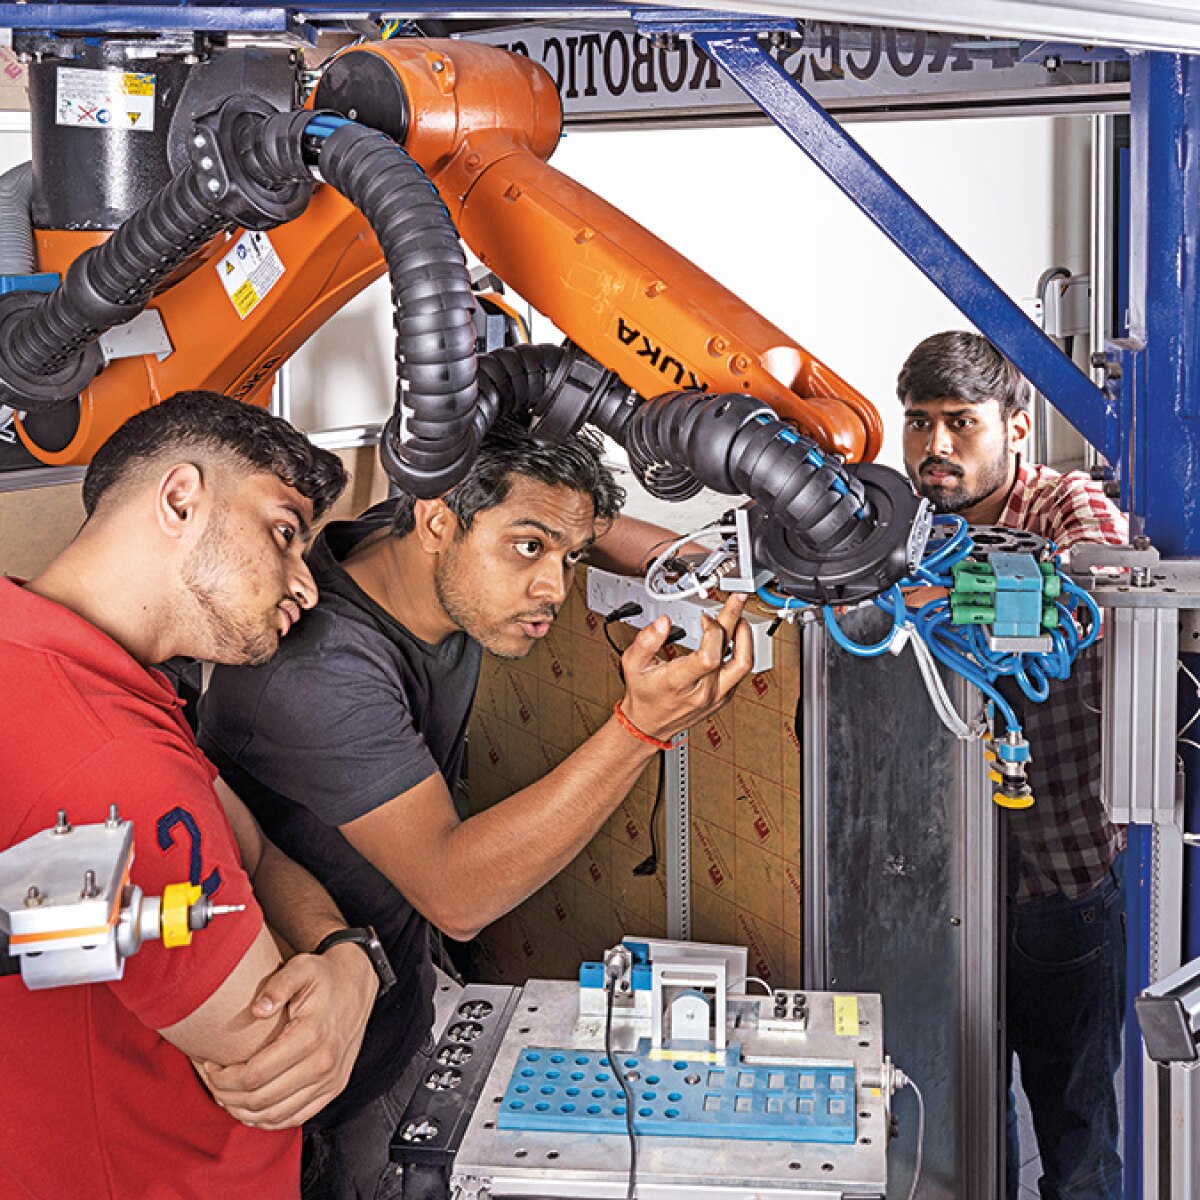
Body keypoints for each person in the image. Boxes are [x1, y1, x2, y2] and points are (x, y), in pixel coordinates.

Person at [198, 416, 752, 1199]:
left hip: (400, 993)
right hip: (323, 1069)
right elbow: (457, 896)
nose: (554, 590)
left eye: (569, 558)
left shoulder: (411, 543)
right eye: (528, 550)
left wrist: (726, 570)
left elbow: (576, 521)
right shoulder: (318, 673)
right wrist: (639, 729)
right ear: (437, 522)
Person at [1, 391, 385, 1199]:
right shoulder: (112, 762)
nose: (305, 588)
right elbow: (273, 1051)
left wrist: (347, 957)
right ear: (180, 499)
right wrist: (353, 985)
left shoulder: (58, 660)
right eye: (284, 532)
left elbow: (253, 849)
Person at [897, 331, 1128, 1200]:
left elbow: (1089, 590)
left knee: (1077, 1140)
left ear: (1016, 428)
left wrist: (940, 594)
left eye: (961, 423)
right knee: (957, 1131)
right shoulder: (903, 525)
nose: (936, 448)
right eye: (920, 424)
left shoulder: (1065, 504)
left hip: (1059, 884)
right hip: (940, 895)